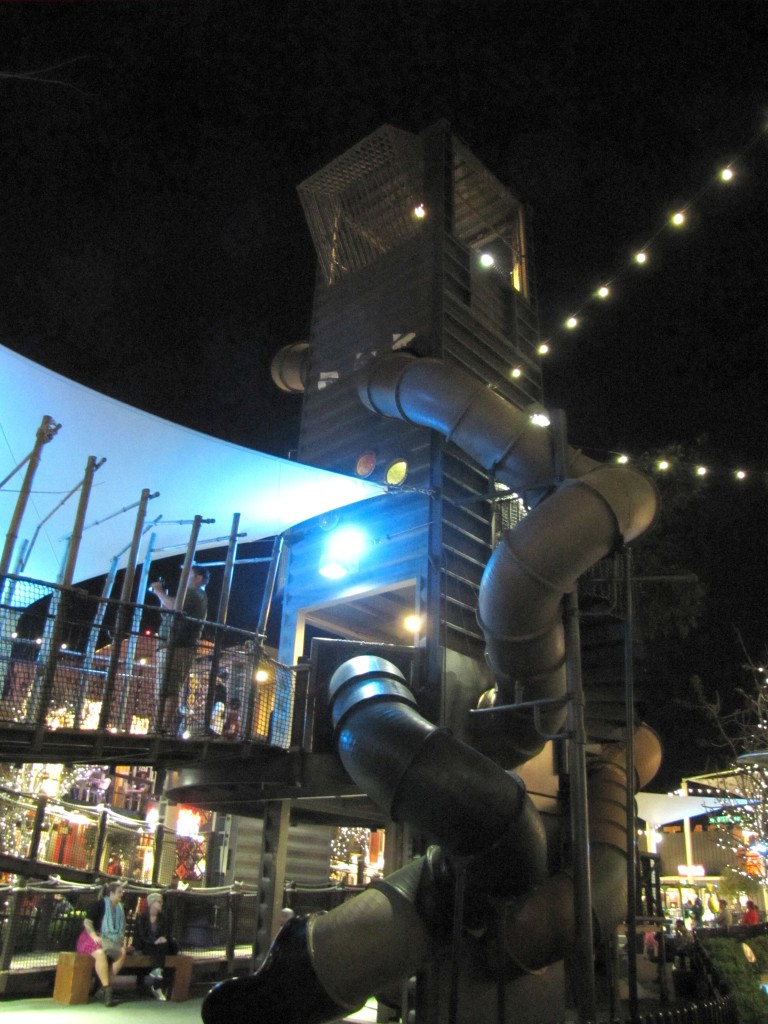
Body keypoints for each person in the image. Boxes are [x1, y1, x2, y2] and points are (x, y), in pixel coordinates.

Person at [151, 565, 209, 735]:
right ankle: (159, 726)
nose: (186, 576)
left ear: (199, 578)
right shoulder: (193, 595)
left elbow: (175, 607)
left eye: (190, 574)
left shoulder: (194, 593)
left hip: (178, 646)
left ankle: (161, 728)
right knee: (164, 688)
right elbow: (171, 610)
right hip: (173, 645)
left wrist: (159, 592)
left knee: (169, 689)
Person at [76, 881, 129, 1007]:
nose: (122, 895)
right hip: (91, 937)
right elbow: (88, 922)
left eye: (122, 892)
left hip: (110, 940)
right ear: (111, 893)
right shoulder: (99, 904)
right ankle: (107, 990)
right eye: (119, 892)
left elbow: (121, 929)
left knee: (122, 952)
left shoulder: (120, 909)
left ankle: (103, 990)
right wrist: (94, 936)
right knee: (100, 954)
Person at [132, 891, 179, 1001]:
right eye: (159, 902)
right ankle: (157, 986)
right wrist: (154, 941)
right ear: (152, 903)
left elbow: (167, 933)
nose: (161, 904)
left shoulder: (163, 917)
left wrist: (163, 938)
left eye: (161, 902)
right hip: (145, 945)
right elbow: (142, 936)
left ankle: (157, 980)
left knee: (161, 947)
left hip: (159, 947)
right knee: (159, 949)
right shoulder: (142, 918)